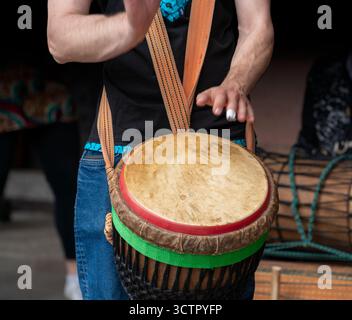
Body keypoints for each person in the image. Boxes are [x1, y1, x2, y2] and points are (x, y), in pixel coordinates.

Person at [47, 0, 274, 300]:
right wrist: (128, 28)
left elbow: (257, 27)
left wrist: (236, 82)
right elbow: (60, 38)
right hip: (120, 148)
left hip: (217, 148)